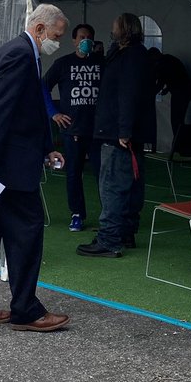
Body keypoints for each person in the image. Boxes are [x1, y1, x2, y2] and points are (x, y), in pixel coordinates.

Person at [0, 4, 71, 332]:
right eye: (56, 36)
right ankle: (26, 309)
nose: (57, 43)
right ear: (39, 30)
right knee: (27, 232)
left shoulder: (21, 53)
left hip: (5, 161)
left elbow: (26, 110)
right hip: (7, 166)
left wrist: (47, 147)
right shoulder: (20, 55)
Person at [77, 13, 156, 258]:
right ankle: (125, 233)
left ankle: (110, 239)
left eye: (114, 27)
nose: (111, 31)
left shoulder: (129, 57)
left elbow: (127, 95)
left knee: (112, 185)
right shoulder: (135, 55)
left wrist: (124, 130)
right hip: (128, 131)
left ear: (123, 30)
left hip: (117, 133)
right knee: (130, 184)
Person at [43, 23, 103, 232]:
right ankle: (77, 214)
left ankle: (108, 216)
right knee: (73, 174)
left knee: (103, 174)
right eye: (81, 37)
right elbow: (43, 87)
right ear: (74, 40)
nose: (85, 41)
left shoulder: (102, 63)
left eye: (88, 38)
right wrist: (54, 113)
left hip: (98, 131)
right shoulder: (63, 64)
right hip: (72, 130)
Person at [148, 47, 191, 138]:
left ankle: (178, 143)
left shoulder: (162, 65)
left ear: (154, 56)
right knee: (179, 119)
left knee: (176, 120)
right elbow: (176, 76)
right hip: (186, 91)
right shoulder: (170, 59)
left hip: (180, 93)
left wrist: (149, 95)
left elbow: (160, 83)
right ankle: (181, 143)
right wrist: (168, 88)